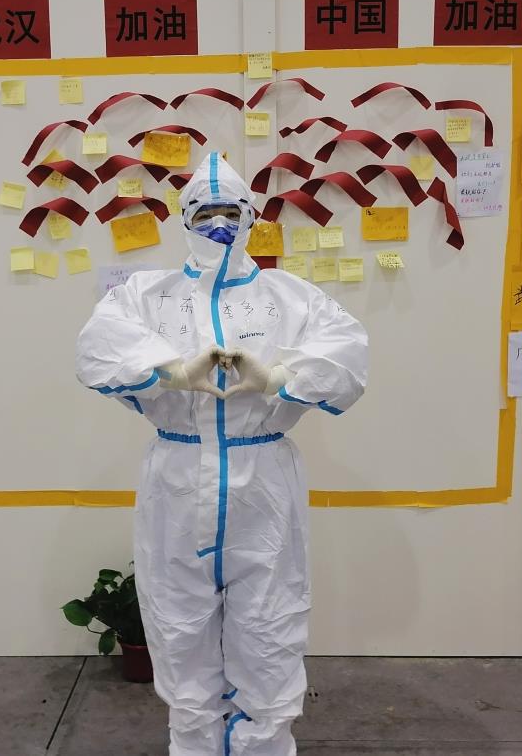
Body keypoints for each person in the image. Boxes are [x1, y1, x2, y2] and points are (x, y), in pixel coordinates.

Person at [75, 152, 367, 755]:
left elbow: (346, 357)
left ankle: (264, 745)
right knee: (178, 624)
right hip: (178, 476)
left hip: (263, 478)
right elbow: (98, 350)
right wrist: (171, 372)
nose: (218, 226)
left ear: (251, 216)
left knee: (270, 626)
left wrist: (280, 377)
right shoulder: (147, 295)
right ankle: (195, 745)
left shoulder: (289, 296)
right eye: (205, 213)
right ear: (184, 218)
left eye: (230, 213)